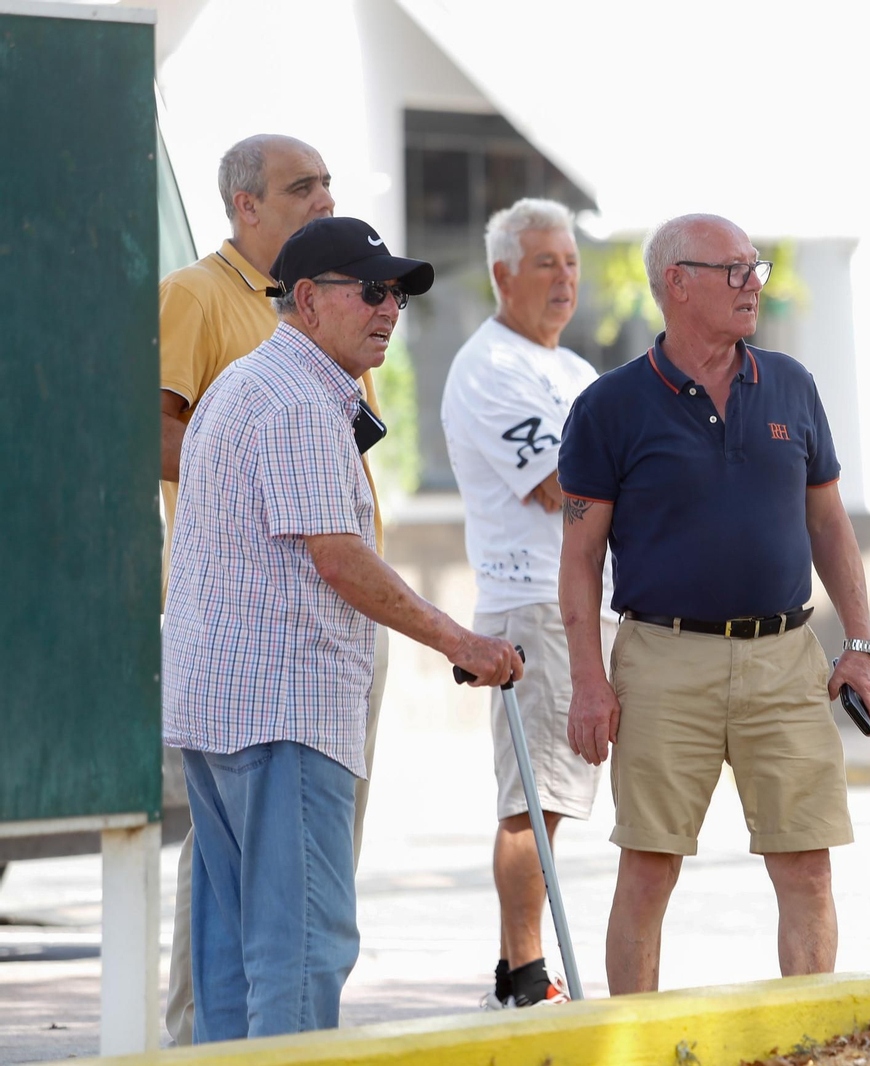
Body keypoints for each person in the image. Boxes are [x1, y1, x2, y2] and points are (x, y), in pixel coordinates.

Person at [162, 216, 524, 1041]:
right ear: (308, 299)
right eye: (370, 291)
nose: (388, 309)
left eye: (396, 295)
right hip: (280, 711)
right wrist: (460, 642)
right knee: (300, 952)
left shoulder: (253, 381)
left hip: (224, 708)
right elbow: (339, 558)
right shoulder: (298, 401)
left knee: (232, 958)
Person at [557, 213, 870, 994]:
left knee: (807, 865)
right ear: (677, 283)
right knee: (649, 868)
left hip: (787, 659)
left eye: (755, 267)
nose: (753, 285)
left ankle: (805, 1039)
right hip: (663, 660)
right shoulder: (609, 406)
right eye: (733, 269)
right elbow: (580, 559)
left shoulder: (792, 385)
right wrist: (588, 680)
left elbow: (829, 523)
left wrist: (861, 645)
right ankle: (635, 1043)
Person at [156, 135, 391, 1045]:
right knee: (294, 931)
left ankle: (222, 1048)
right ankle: (209, 1042)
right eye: (303, 186)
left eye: (329, 183)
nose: (323, 197)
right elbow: (152, 432)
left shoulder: (317, 351)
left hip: (284, 655)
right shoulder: (209, 308)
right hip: (275, 665)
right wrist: (457, 639)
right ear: (245, 204)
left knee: (264, 912)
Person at [440, 198, 614, 1009]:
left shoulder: (572, 369)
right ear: (503, 274)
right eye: (546, 263)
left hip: (586, 601)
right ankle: (523, 978)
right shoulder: (489, 366)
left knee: (558, 798)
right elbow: (558, 485)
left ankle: (523, 972)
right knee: (535, 801)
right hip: (533, 603)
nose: (564, 279)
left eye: (571, 262)